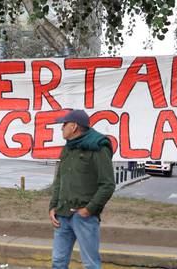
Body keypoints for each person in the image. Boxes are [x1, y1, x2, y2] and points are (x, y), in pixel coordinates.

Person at [49, 109, 115, 269]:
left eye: (64, 124)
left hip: (84, 217)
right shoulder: (68, 148)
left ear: (74, 126)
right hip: (62, 215)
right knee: (58, 262)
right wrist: (53, 206)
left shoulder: (98, 147)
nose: (61, 128)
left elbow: (108, 185)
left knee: (91, 264)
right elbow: (60, 179)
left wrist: (88, 210)